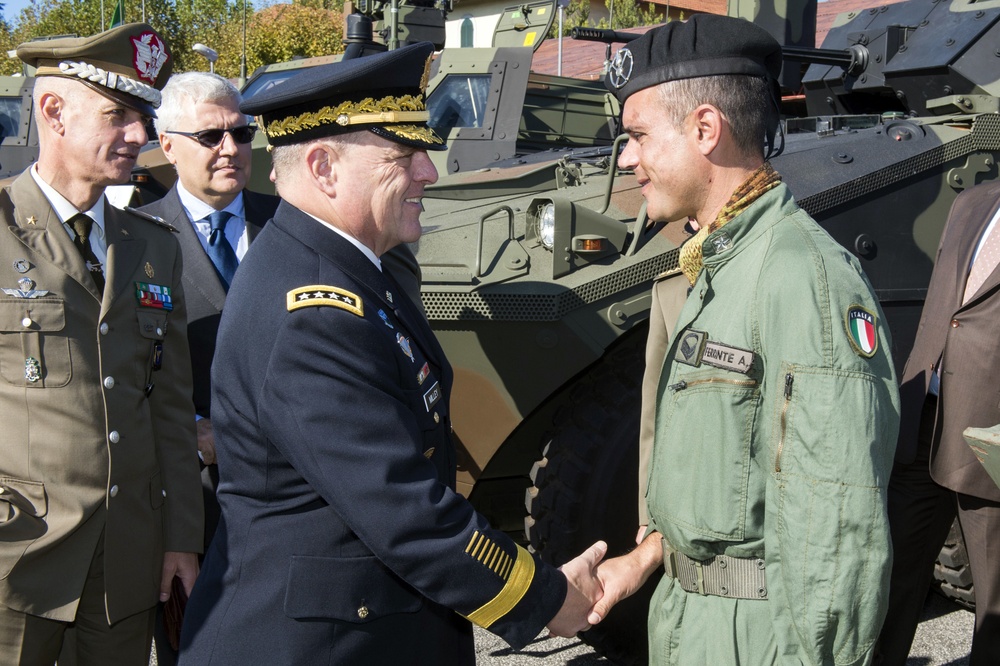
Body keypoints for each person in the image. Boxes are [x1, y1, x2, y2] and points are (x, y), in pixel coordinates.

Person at [177, 41, 606, 665]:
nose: (429, 173)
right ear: (323, 168)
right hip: (317, 643)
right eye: (404, 156)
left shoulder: (346, 268)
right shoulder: (314, 312)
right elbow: (403, 509)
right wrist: (544, 596)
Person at [586, 15, 901, 664]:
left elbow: (835, 542)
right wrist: (644, 558)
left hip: (756, 638)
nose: (626, 158)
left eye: (639, 135)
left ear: (705, 129)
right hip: (688, 620)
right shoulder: (713, 269)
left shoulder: (801, 278)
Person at [0, 24, 203, 664]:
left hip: (126, 561)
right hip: (16, 558)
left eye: (143, 116)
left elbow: (170, 408)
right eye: (117, 114)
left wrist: (180, 539)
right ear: (52, 111)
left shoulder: (152, 247)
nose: (140, 136)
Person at [137, 71, 279, 664]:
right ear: (167, 145)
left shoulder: (292, 226)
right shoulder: (135, 240)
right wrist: (188, 433)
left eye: (241, 134)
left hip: (285, 497)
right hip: (188, 504)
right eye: (210, 136)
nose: (230, 149)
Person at [876, 180, 1000, 665]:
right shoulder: (973, 200)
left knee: (994, 607)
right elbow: (943, 310)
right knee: (889, 578)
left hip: (992, 439)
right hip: (926, 418)